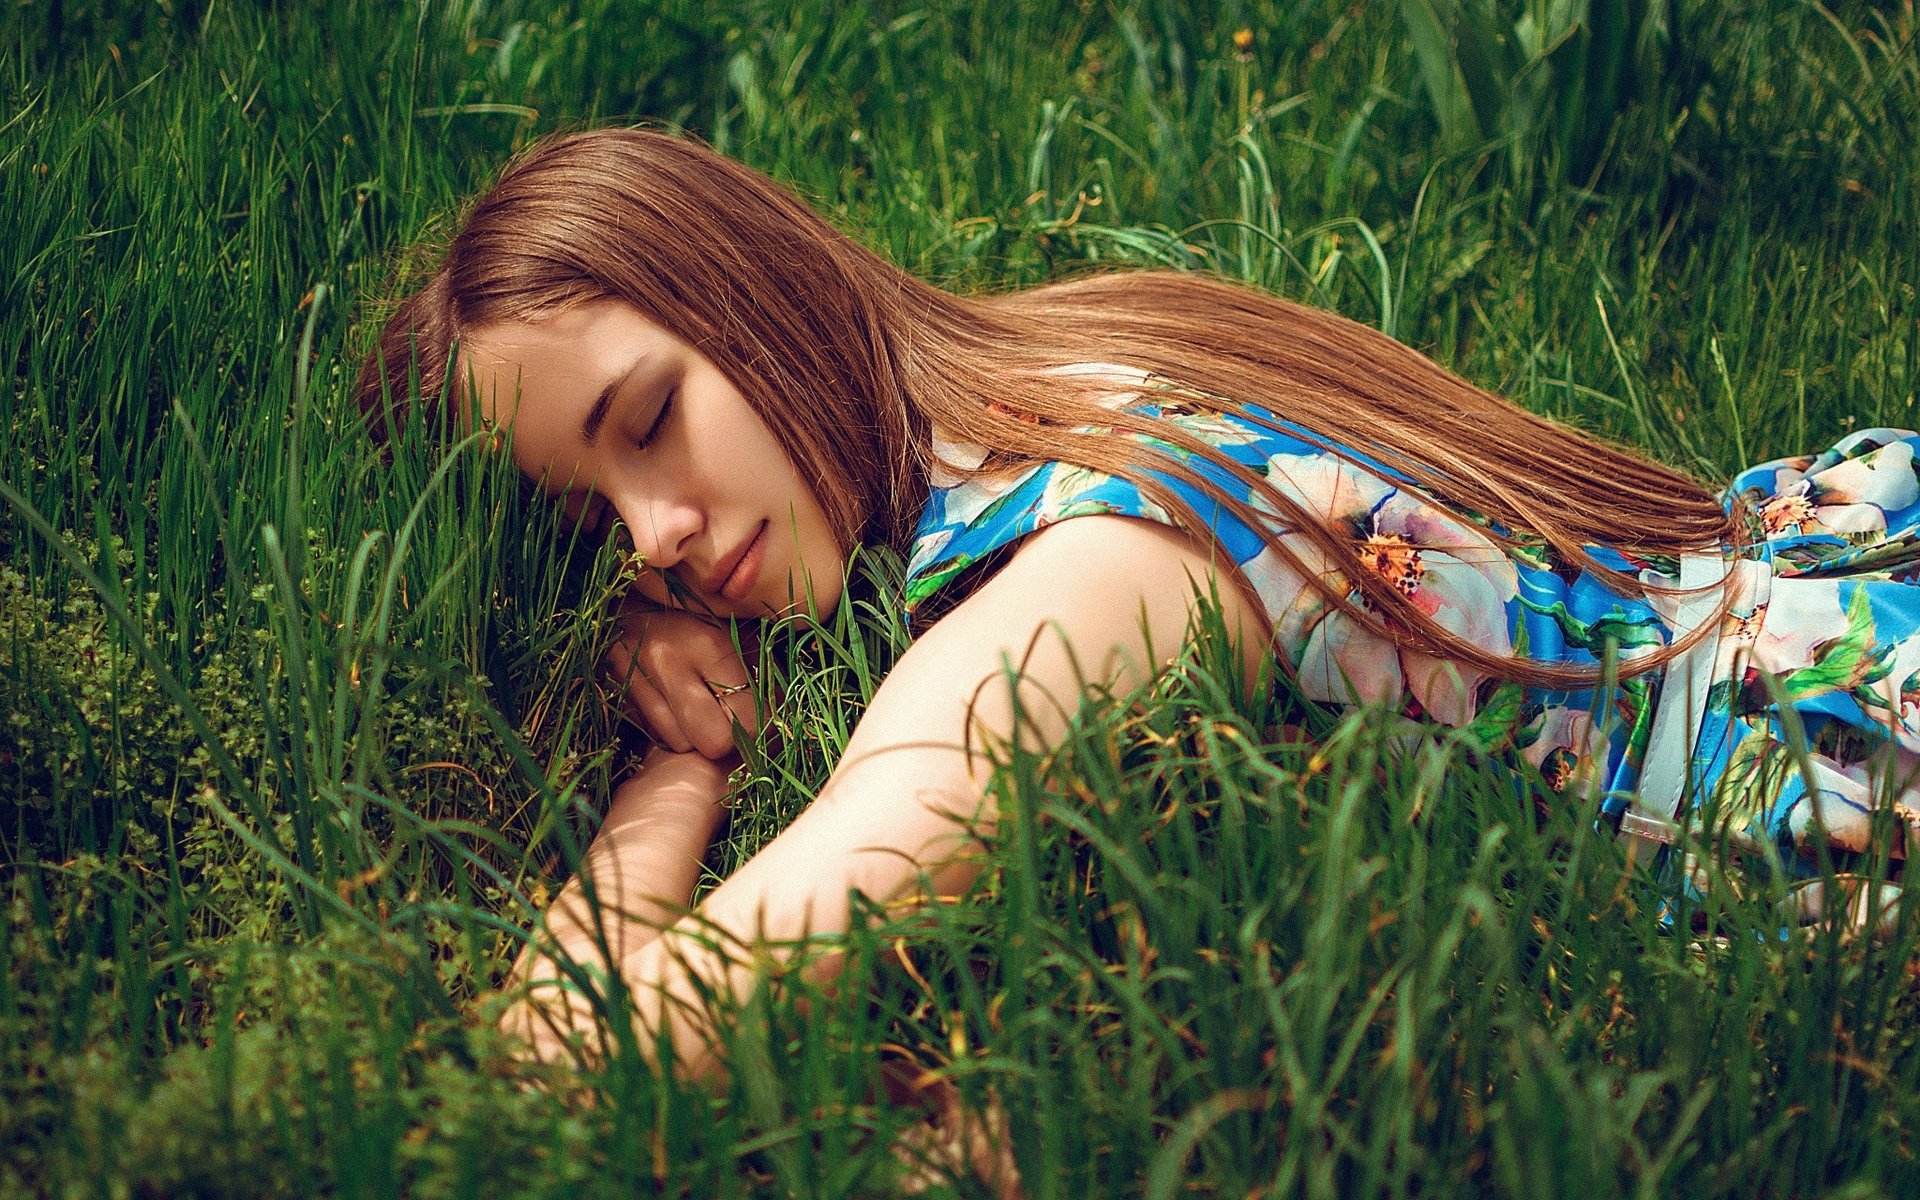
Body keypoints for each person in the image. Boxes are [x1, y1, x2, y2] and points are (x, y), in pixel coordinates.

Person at [357, 126, 1920, 1076]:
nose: (661, 536)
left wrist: (673, 771)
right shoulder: (1062, 365)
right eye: (592, 513)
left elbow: (579, 1061)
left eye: (649, 424)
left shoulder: (1083, 592)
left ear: (754, 296)